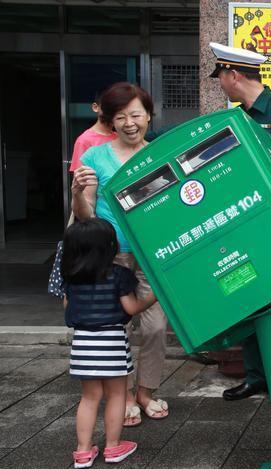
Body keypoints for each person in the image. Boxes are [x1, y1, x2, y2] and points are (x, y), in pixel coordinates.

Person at [209, 42, 271, 401]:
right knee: (248, 296)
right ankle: (256, 376)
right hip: (241, 227)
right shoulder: (234, 121)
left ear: (233, 75)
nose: (219, 82)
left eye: (220, 76)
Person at [71, 82, 169, 427]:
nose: (129, 123)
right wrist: (77, 194)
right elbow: (87, 217)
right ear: (110, 120)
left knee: (156, 326)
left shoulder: (159, 153)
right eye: (121, 116)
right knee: (117, 330)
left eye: (136, 115)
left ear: (148, 116)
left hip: (152, 254)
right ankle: (123, 395)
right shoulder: (94, 156)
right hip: (112, 257)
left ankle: (146, 390)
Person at [62, 218, 158, 468]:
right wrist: (153, 297)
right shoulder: (118, 275)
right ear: (110, 247)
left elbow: (67, 307)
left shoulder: (71, 277)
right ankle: (113, 447)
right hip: (112, 341)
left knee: (89, 397)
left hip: (82, 343)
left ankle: (83, 452)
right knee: (116, 395)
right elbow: (131, 307)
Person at [69, 93, 117, 174]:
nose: (113, 111)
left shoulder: (120, 137)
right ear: (95, 107)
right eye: (108, 106)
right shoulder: (84, 140)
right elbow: (81, 179)